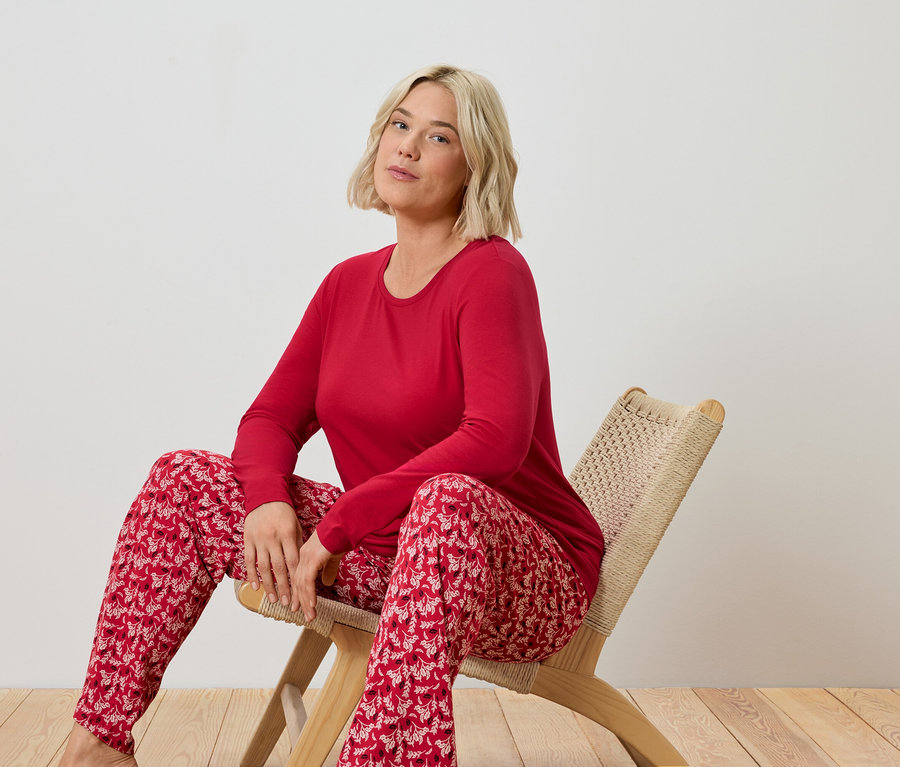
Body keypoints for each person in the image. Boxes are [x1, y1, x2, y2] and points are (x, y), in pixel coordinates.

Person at [60, 63, 605, 767]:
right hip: (391, 551)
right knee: (181, 481)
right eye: (399, 125)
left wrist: (343, 523)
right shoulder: (347, 285)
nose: (406, 146)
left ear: (475, 165)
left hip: (523, 574)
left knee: (445, 504)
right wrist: (264, 502)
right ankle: (97, 744)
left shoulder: (493, 273)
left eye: (437, 136)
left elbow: (495, 440)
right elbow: (270, 419)